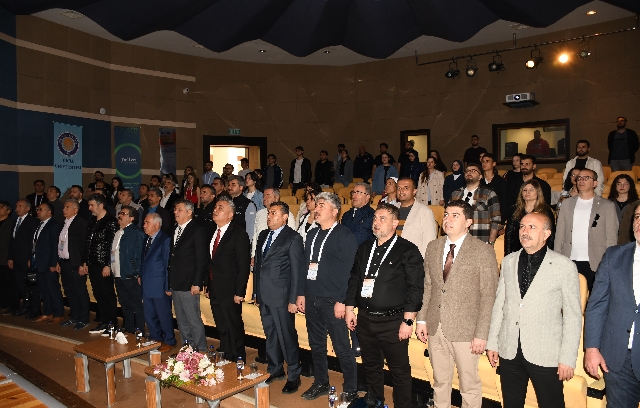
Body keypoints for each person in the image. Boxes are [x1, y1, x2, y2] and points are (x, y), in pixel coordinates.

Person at [487, 212, 581, 408]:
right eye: (522, 226)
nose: (525, 231)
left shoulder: (565, 266)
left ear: (546, 234)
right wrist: (493, 342)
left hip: (545, 352)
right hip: (510, 349)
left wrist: (567, 358)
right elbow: (500, 305)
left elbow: (573, 316)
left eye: (532, 227)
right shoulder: (508, 261)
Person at [416, 200, 498, 408]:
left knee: (469, 385)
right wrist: (422, 319)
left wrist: (482, 334)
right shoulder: (433, 247)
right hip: (436, 326)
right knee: (440, 382)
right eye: (446, 214)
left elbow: (489, 296)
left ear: (468, 222)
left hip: (466, 331)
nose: (448, 219)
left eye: (455, 215)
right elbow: (428, 286)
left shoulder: (483, 251)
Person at [345, 204, 424, 408]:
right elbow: (354, 279)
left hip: (393, 321)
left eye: (382, 218)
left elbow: (415, 288)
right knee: (371, 364)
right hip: (365, 318)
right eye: (375, 218)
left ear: (395, 223)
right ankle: (375, 400)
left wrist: (408, 321)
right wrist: (349, 308)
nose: (376, 223)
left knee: (399, 370)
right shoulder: (365, 248)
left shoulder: (407, 250)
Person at [295, 193, 359, 401]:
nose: (317, 209)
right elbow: (305, 266)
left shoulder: (344, 235)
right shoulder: (312, 234)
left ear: (334, 211)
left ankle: (351, 389)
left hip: (333, 301)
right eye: (317, 205)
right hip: (312, 297)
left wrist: (343, 300)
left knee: (342, 347)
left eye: (322, 205)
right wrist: (301, 293)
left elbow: (351, 272)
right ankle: (321, 382)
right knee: (316, 345)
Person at [584, 201, 640, 406]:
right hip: (618, 358)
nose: (639, 222)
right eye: (637, 217)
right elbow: (597, 305)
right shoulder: (614, 255)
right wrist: (591, 348)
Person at [253, 202, 304, 394]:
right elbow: (258, 267)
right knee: (271, 335)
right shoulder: (263, 235)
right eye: (268, 213)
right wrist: (256, 293)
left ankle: (294, 375)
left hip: (282, 297)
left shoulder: (293, 238)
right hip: (265, 295)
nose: (269, 216)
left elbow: (297, 272)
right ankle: (275, 369)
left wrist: (293, 299)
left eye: (273, 213)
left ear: (285, 217)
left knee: (286, 336)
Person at [554, 169, 618, 291]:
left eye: (586, 178)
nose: (581, 180)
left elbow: (611, 237)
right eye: (579, 178)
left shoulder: (607, 206)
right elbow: (560, 234)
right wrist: (557, 257)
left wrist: (609, 261)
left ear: (595, 183)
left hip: (596, 261)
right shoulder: (567, 204)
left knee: (594, 298)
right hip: (569, 259)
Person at [205, 197, 251, 361]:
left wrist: (239, 292)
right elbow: (210, 262)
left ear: (230, 214)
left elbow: (243, 266)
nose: (215, 210)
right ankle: (226, 355)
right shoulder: (212, 231)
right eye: (215, 207)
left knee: (233, 326)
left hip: (230, 289)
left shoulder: (239, 234)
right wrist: (208, 285)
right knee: (222, 325)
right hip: (215, 287)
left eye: (220, 208)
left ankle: (239, 358)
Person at [169, 200, 208, 351]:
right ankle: (187, 349)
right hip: (176, 281)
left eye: (179, 209)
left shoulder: (197, 230)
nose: (175, 212)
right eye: (175, 209)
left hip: (189, 282)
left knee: (193, 319)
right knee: (181, 320)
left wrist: (197, 282)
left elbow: (201, 259)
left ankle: (201, 350)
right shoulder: (174, 229)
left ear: (189, 212)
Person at [84, 194, 119, 336]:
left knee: (107, 294)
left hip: (103, 264)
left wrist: (108, 264)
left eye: (92, 205)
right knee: (98, 293)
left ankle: (112, 323)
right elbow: (88, 242)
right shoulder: (92, 220)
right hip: (92, 262)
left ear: (101, 205)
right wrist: (85, 261)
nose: (89, 208)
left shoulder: (111, 221)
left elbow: (113, 245)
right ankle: (104, 321)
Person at [141, 213, 175, 353]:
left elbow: (167, 265)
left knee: (163, 314)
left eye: (147, 223)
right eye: (144, 222)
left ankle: (169, 340)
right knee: (149, 314)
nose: (144, 225)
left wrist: (168, 286)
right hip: (147, 283)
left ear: (157, 225)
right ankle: (156, 338)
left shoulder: (165, 240)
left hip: (160, 285)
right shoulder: (146, 239)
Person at [56, 199, 90, 330]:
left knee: (80, 291)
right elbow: (59, 243)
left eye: (67, 207)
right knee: (69, 291)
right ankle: (74, 316)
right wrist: (58, 261)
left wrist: (83, 263)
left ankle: (84, 318)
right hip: (64, 263)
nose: (64, 209)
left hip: (75, 264)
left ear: (76, 210)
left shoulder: (81, 223)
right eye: (64, 207)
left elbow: (84, 246)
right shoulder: (62, 223)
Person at [112, 205, 146, 333]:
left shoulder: (136, 233)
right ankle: (129, 329)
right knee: (125, 304)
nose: (119, 215)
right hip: (118, 274)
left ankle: (139, 330)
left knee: (136, 304)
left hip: (131, 275)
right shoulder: (118, 232)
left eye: (123, 214)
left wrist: (138, 273)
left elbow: (140, 255)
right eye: (119, 213)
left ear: (131, 218)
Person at [450, 163, 502, 244]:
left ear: (480, 176)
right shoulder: (455, 194)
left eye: (473, 171)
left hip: (479, 240)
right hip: (456, 240)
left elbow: (496, 221)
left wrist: (490, 243)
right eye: (467, 171)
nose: (469, 172)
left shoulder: (489, 194)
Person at [505, 180, 555, 255]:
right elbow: (509, 234)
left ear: (538, 192)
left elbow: (551, 236)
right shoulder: (515, 209)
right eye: (525, 190)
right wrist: (508, 254)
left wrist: (547, 254)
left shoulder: (546, 211)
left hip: (539, 251)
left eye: (531, 190)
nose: (527, 192)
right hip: (517, 250)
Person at [31, 202, 62, 323]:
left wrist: (54, 263)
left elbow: (55, 245)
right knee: (44, 289)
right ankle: (48, 312)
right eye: (38, 209)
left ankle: (58, 313)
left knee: (53, 289)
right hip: (39, 262)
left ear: (49, 212)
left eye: (41, 209)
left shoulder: (53, 225)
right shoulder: (39, 224)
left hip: (49, 263)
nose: (38, 211)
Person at [7, 200, 38, 316]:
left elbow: (33, 242)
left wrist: (31, 258)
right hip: (16, 259)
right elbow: (12, 241)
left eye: (20, 206)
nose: (17, 208)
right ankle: (25, 305)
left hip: (27, 259)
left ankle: (34, 307)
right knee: (20, 283)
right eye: (16, 206)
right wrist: (10, 257)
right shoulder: (15, 221)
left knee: (30, 284)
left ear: (28, 209)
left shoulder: (33, 221)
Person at [396, 178, 437, 258]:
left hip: (412, 259)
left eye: (406, 188)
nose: (401, 191)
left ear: (414, 191)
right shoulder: (391, 209)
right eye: (399, 188)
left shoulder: (425, 212)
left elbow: (430, 242)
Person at [251, 188, 295, 262]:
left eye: (268, 195)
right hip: (260, 254)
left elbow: (291, 237)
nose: (264, 198)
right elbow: (255, 236)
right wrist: (253, 254)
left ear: (276, 198)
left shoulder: (286, 215)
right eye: (264, 195)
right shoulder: (259, 213)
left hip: (278, 256)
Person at [506, 155, 551, 220]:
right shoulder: (513, 185)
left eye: (527, 164)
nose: (524, 166)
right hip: (517, 218)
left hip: (537, 219)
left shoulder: (543, 185)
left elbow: (545, 207)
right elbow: (510, 205)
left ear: (534, 166)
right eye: (522, 164)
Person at [480, 153, 509, 226]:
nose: (484, 163)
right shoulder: (479, 181)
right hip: (480, 218)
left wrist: (502, 221)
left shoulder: (501, 181)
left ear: (494, 164)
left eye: (487, 161)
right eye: (483, 161)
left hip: (496, 218)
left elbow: (504, 201)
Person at [227, 175, 257, 241]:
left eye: (233, 185)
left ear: (241, 187)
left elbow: (250, 229)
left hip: (239, 240)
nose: (229, 187)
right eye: (229, 185)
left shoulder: (248, 204)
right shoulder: (226, 202)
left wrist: (247, 244)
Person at [0, 202, 14, 313]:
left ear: (8, 211)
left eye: (1, 207)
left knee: (6, 282)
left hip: (5, 257)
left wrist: (11, 257)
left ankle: (7, 304)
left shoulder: (11, 223)